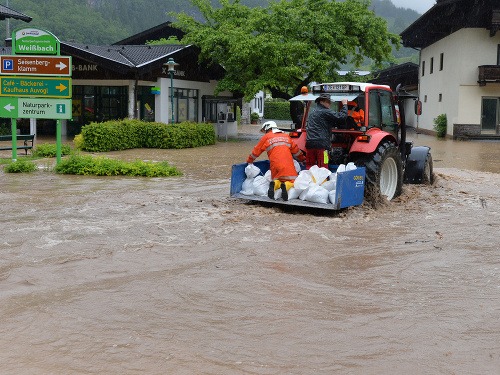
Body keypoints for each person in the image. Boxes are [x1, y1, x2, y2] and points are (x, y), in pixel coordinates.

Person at [246, 121, 305, 201]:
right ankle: (285, 185)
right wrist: (303, 159)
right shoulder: (286, 136)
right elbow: (296, 151)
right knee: (293, 181)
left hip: (274, 165)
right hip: (288, 165)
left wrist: (249, 161)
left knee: (278, 178)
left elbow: (256, 151)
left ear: (267, 128)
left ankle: (275, 184)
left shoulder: (266, 137)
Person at [305, 93, 348, 169]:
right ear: (321, 102)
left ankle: (310, 180)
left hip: (309, 144)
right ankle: (324, 180)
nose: (330, 104)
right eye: (328, 102)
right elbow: (341, 117)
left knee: (310, 166)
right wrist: (344, 105)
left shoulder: (312, 112)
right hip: (322, 145)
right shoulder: (325, 111)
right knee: (323, 166)